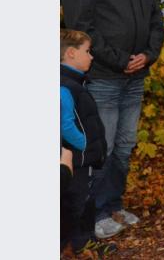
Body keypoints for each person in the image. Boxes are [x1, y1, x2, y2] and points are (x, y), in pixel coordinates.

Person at [62, 0, 164, 239]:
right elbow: (81, 28)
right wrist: (120, 61)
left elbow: (156, 23)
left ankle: (113, 204)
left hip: (135, 77)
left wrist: (148, 54)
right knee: (99, 149)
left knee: (123, 146)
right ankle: (92, 215)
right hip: (103, 78)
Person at [60, 29, 116, 257]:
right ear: (71, 53)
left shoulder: (75, 82)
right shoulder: (64, 85)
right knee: (76, 204)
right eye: (87, 51)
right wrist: (83, 145)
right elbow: (64, 123)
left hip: (85, 160)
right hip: (77, 161)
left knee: (86, 202)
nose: (92, 57)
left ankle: (85, 244)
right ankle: (72, 246)